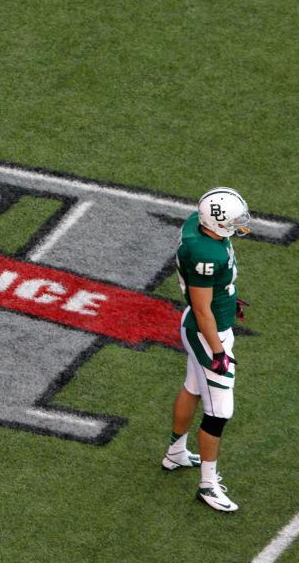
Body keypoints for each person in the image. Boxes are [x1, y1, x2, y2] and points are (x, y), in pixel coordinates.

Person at [162, 187, 251, 512]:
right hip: (207, 334)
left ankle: (175, 453)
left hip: (205, 326)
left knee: (193, 388)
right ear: (217, 221)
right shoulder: (205, 255)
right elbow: (202, 310)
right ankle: (208, 485)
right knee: (219, 413)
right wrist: (218, 352)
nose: (241, 223)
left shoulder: (198, 226)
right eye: (235, 219)